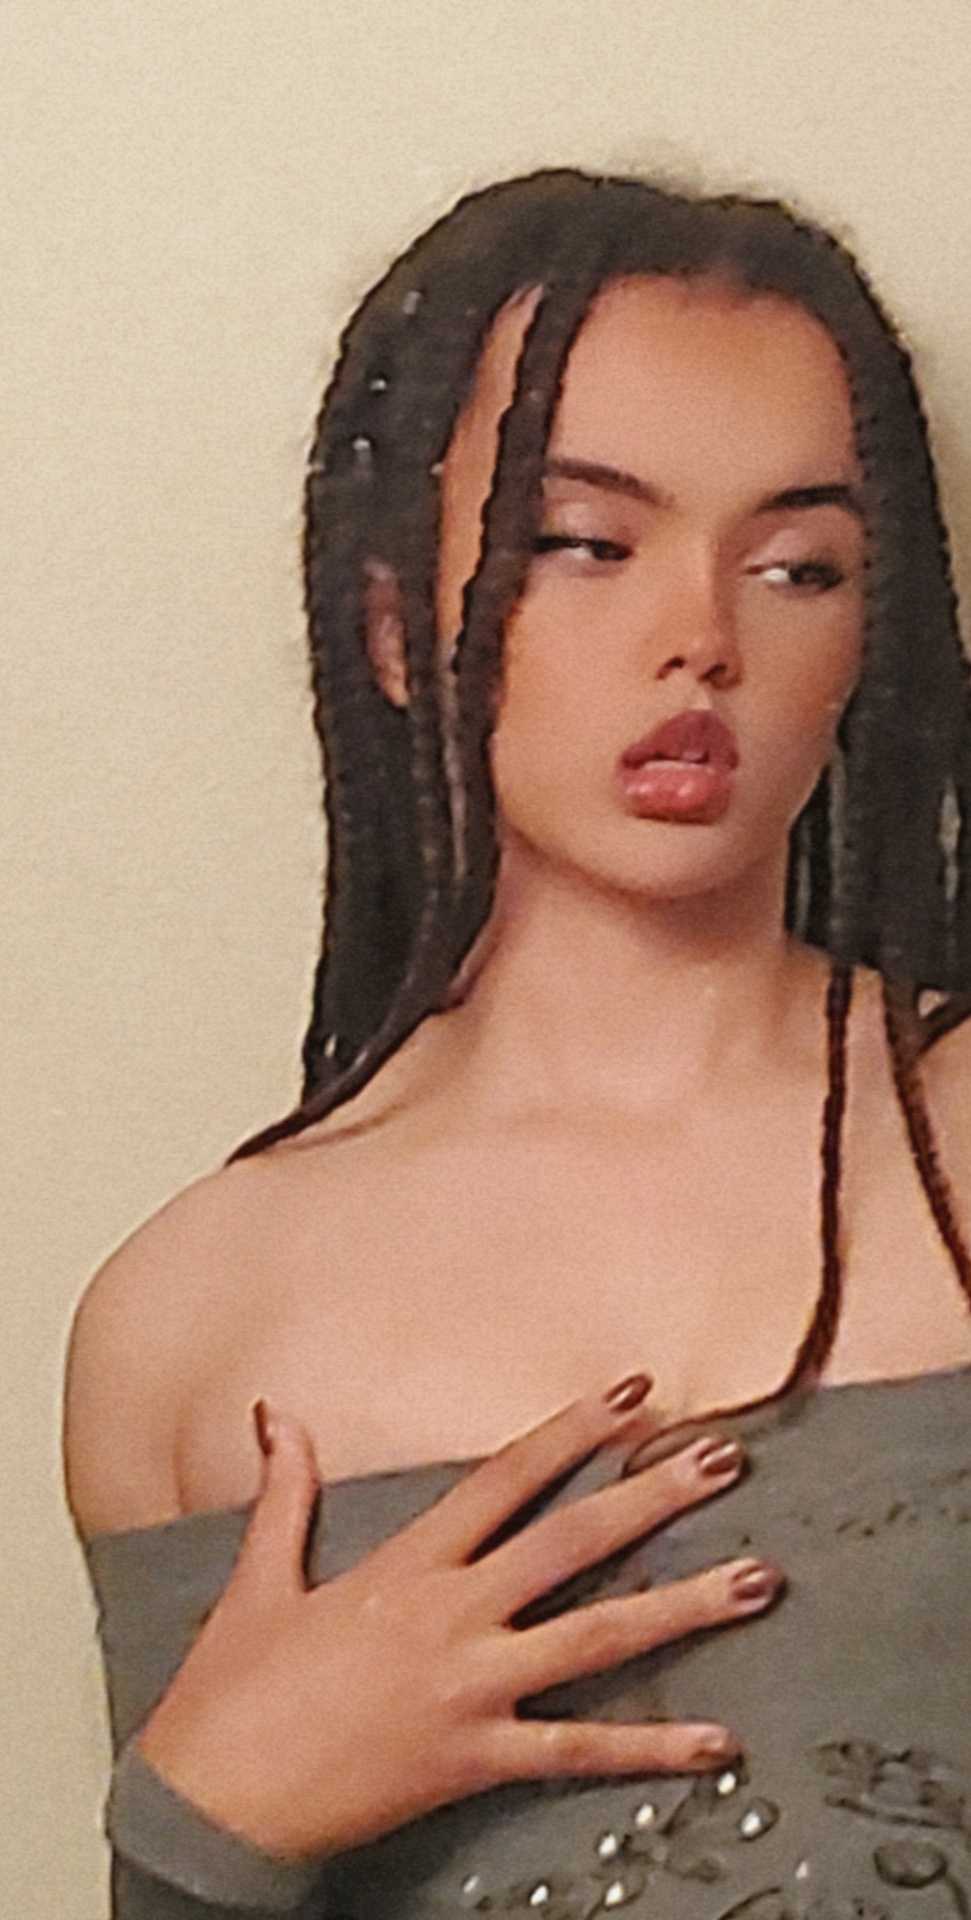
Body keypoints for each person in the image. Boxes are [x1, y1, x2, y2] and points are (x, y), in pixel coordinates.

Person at [63, 167, 971, 1919]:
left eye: (799, 566)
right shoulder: (188, 1327)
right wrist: (201, 1825)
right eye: (586, 543)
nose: (701, 640)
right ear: (396, 623)